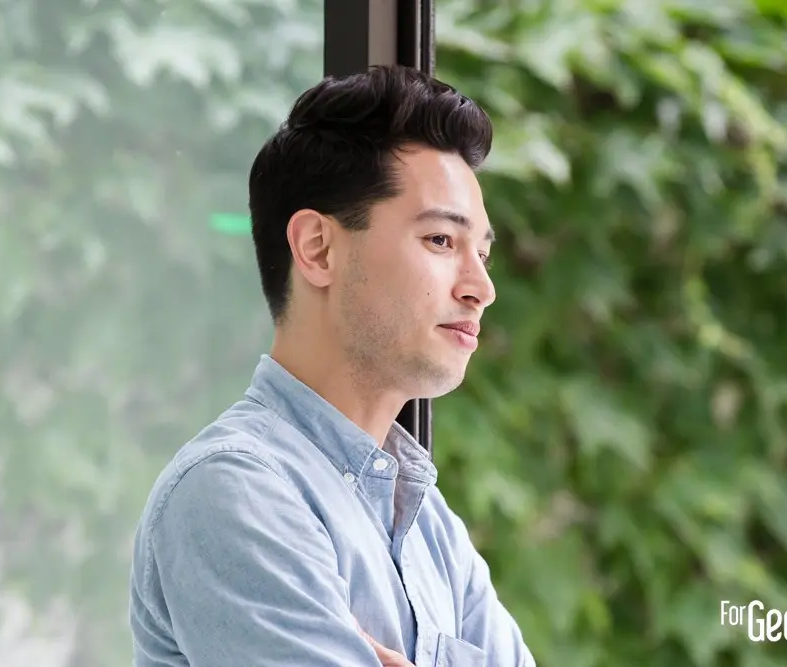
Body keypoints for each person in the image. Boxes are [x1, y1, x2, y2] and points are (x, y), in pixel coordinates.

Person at [128, 64, 536, 667]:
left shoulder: (430, 525)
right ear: (318, 249)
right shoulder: (236, 492)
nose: (482, 288)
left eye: (482, 253)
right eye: (441, 241)